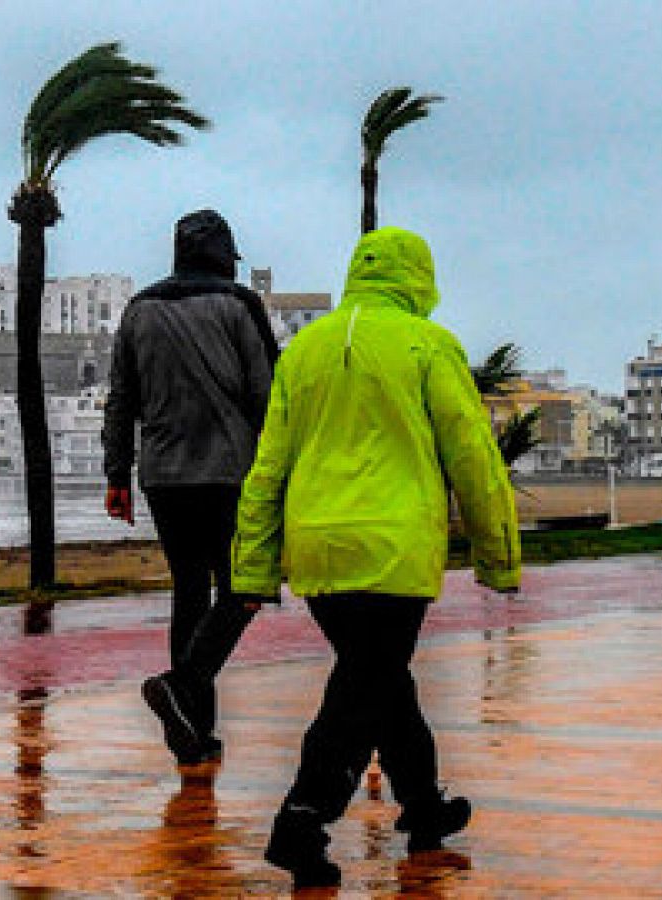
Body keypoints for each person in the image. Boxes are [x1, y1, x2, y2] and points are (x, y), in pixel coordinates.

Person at [230, 227, 521, 888]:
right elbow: (471, 455)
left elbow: (268, 467)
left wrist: (253, 566)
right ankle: (302, 819)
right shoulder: (429, 344)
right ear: (420, 278)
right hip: (393, 546)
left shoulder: (304, 350)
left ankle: (423, 809)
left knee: (381, 678)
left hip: (318, 548)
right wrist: (498, 555)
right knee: (364, 686)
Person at [101, 209, 278, 766]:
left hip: (163, 476)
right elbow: (268, 396)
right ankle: (183, 687)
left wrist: (117, 475)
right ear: (225, 255)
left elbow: (121, 400)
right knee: (245, 588)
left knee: (189, 592)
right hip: (230, 473)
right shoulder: (238, 306)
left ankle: (193, 736)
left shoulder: (140, 310)